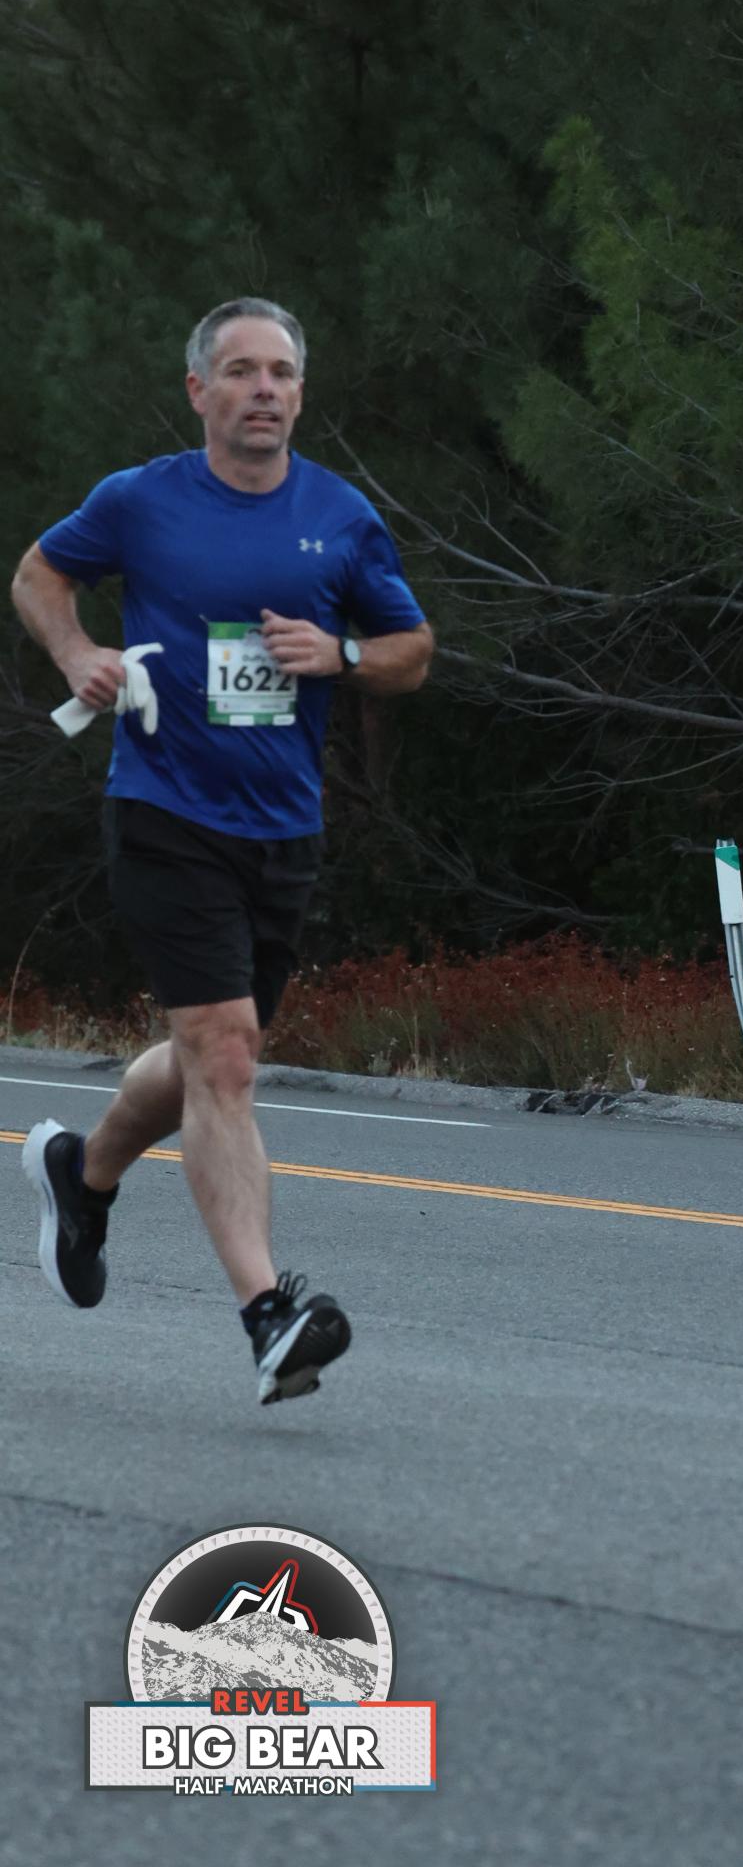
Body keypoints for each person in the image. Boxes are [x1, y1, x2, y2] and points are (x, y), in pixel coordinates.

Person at [12, 299, 433, 1404]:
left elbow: (412, 649)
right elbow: (39, 575)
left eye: (281, 373)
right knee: (226, 1054)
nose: (264, 390)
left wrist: (341, 654)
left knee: (214, 1056)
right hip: (164, 810)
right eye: (241, 371)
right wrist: (77, 653)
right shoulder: (141, 500)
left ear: (300, 393)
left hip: (282, 828)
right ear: (199, 390)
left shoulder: (339, 517)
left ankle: (83, 1173)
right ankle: (268, 1316)